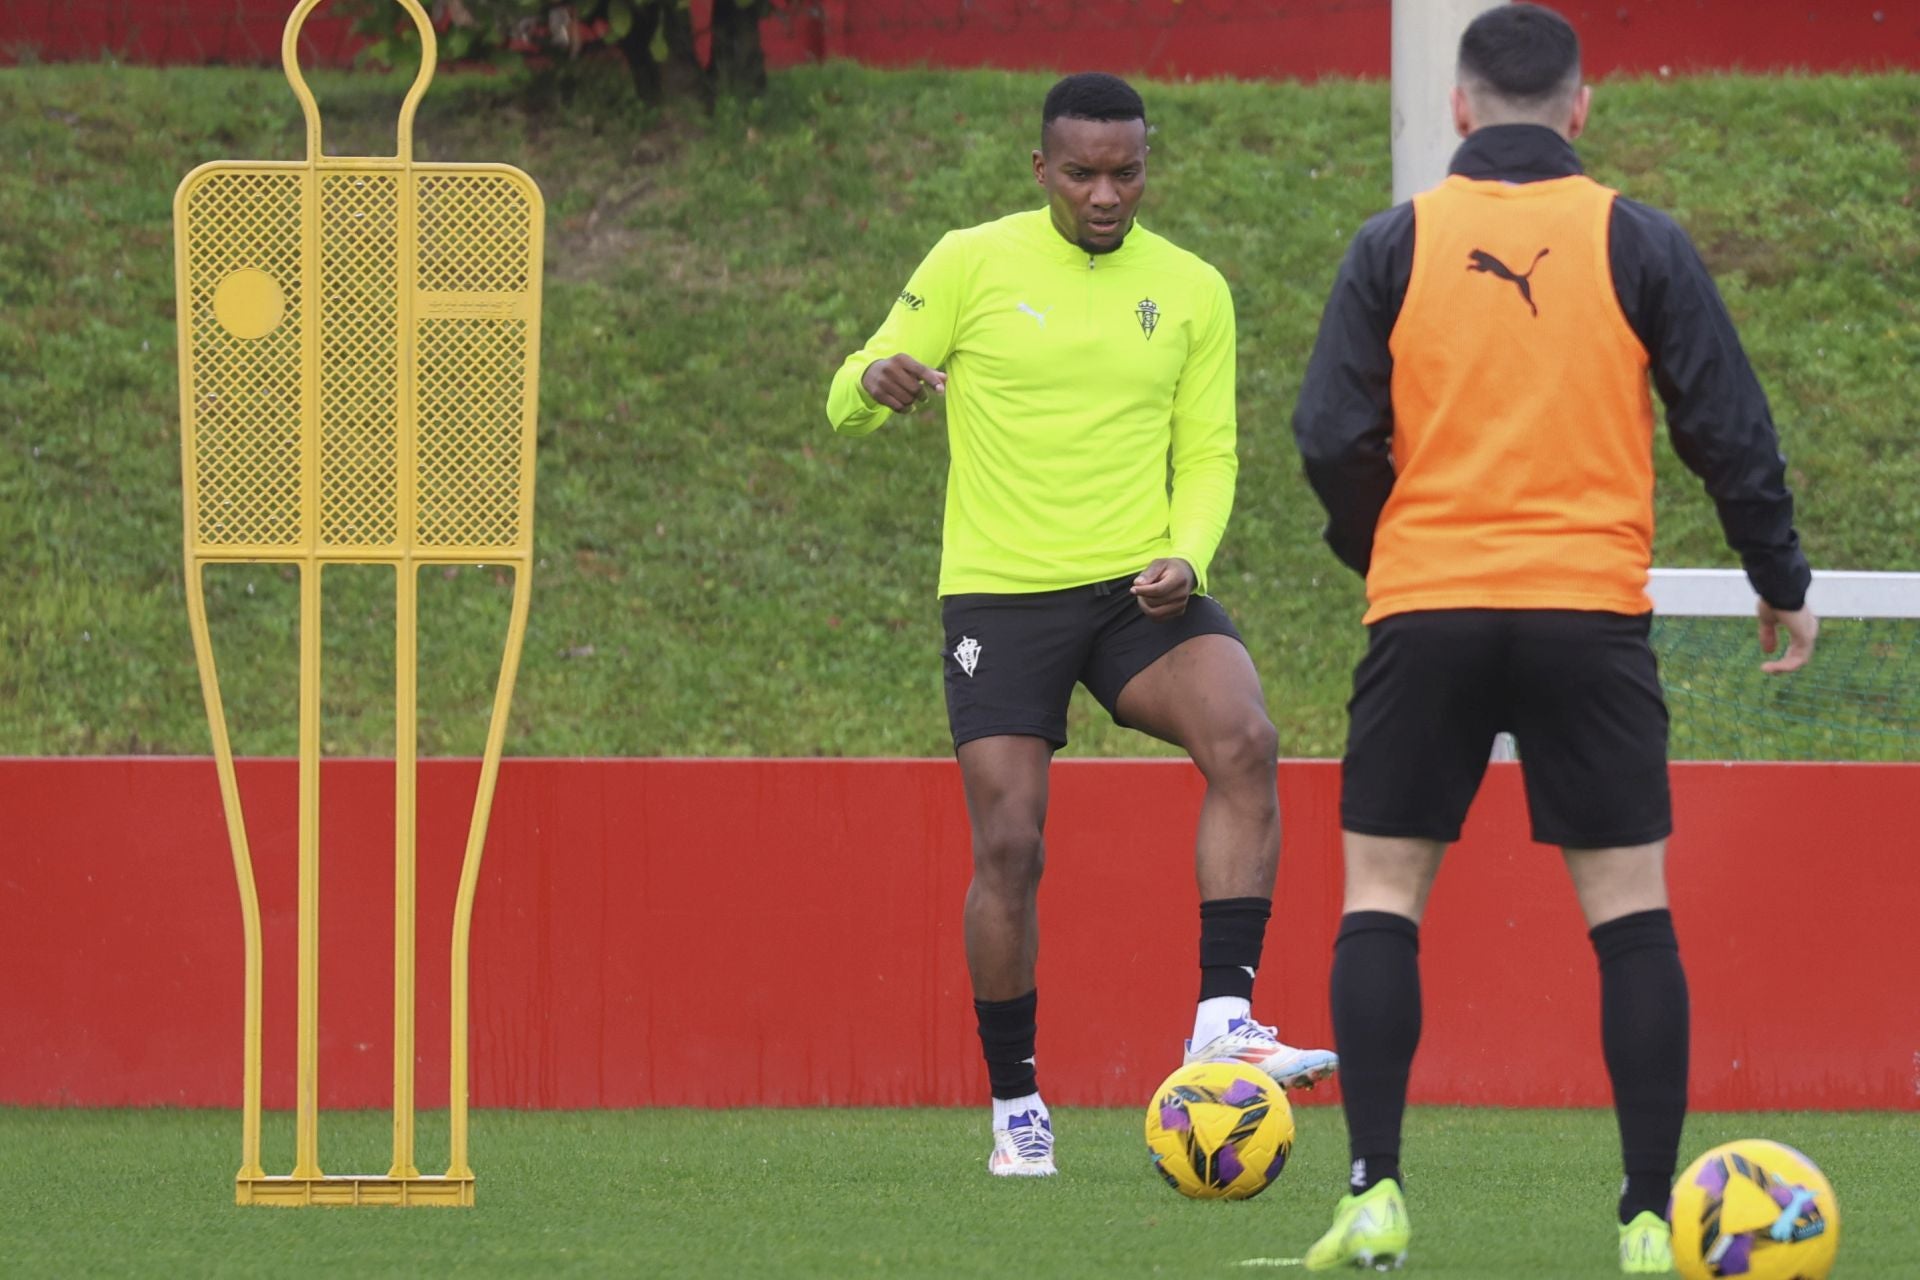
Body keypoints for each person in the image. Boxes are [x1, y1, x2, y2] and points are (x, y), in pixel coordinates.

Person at [1289, 4, 1816, 1272]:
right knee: (1630, 915)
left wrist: (1391, 545)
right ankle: (1646, 1217)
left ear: (1461, 110)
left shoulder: (1393, 242)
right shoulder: (1636, 238)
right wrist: (1778, 573)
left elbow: (1326, 433)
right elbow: (1725, 425)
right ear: (1581, 109)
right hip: (1589, 612)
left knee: (1381, 895)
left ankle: (1373, 1192)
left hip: (1431, 606)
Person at [826, 71, 1336, 1179]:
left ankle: (1221, 1020)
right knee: (1010, 840)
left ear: (1147, 164)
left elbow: (1209, 453)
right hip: (1002, 595)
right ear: (1041, 169)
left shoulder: (1194, 287)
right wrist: (877, 377)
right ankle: (1017, 1101)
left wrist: (1186, 553)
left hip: (1133, 590)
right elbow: (844, 397)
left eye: (1127, 171)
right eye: (1083, 173)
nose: (1107, 194)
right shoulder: (971, 260)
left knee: (1245, 739)